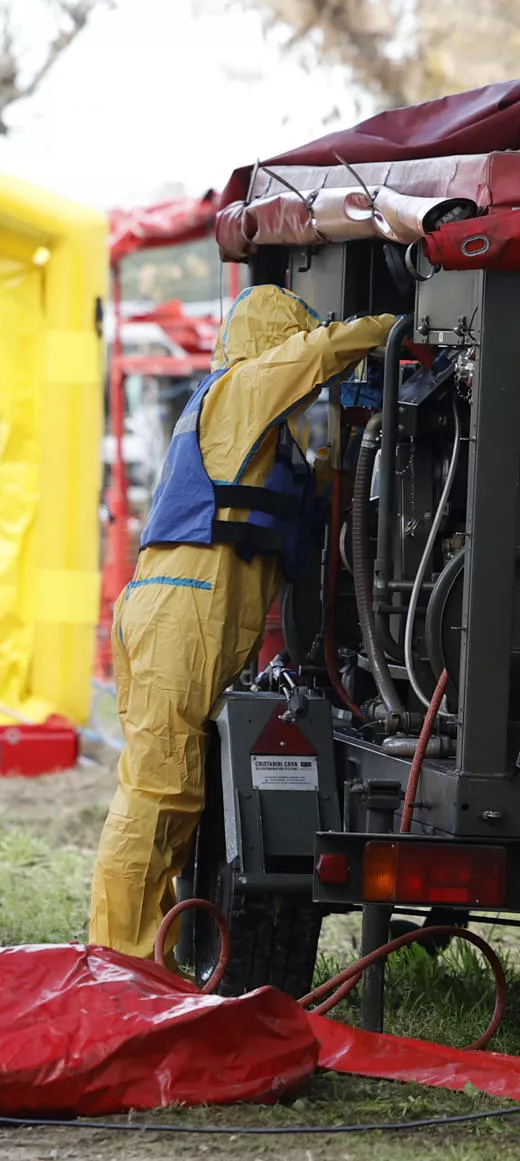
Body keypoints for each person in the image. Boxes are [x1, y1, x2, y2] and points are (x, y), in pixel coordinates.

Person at [89, 285, 396, 956]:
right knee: (158, 789)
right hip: (182, 609)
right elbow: (316, 355)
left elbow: (310, 498)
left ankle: (144, 959)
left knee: (172, 790)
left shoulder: (258, 438)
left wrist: (349, 447)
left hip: (190, 612)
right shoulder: (241, 389)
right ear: (272, 346)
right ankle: (119, 962)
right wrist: (394, 327)